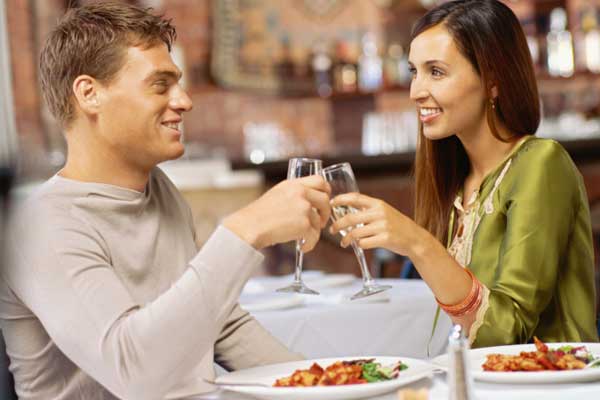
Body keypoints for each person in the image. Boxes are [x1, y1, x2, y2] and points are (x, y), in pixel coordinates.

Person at [0, 2, 331, 399]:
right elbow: (135, 373)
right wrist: (245, 230)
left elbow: (218, 324)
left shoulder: (161, 192)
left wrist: (332, 385)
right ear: (90, 94)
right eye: (161, 84)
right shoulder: (42, 226)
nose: (184, 101)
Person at [330, 0, 598, 348]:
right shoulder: (457, 184)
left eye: (436, 72)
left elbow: (507, 332)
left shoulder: (541, 164)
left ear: (493, 81)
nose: (415, 92)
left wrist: (418, 244)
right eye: (414, 71)